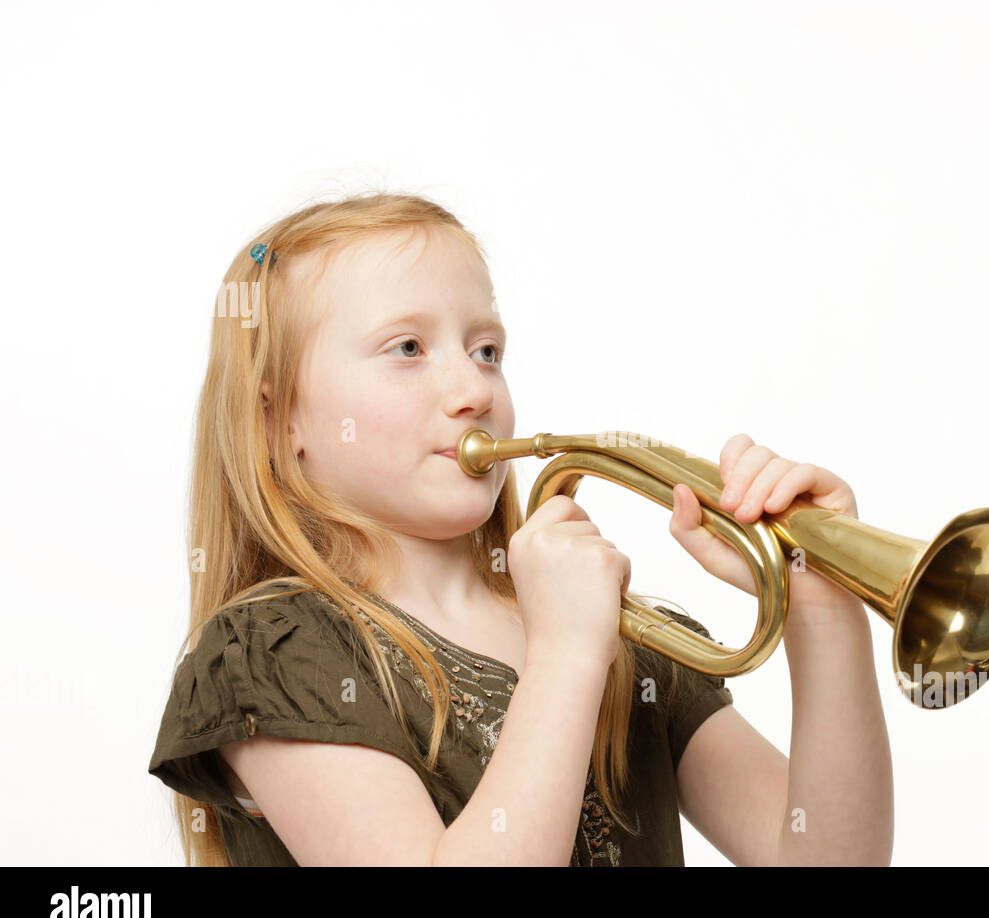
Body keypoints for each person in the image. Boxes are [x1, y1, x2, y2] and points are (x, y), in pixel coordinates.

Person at [148, 192, 893, 866]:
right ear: (280, 423)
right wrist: (567, 653)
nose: (474, 389)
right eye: (407, 349)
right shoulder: (268, 655)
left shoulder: (626, 643)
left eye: (487, 351)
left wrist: (822, 610)